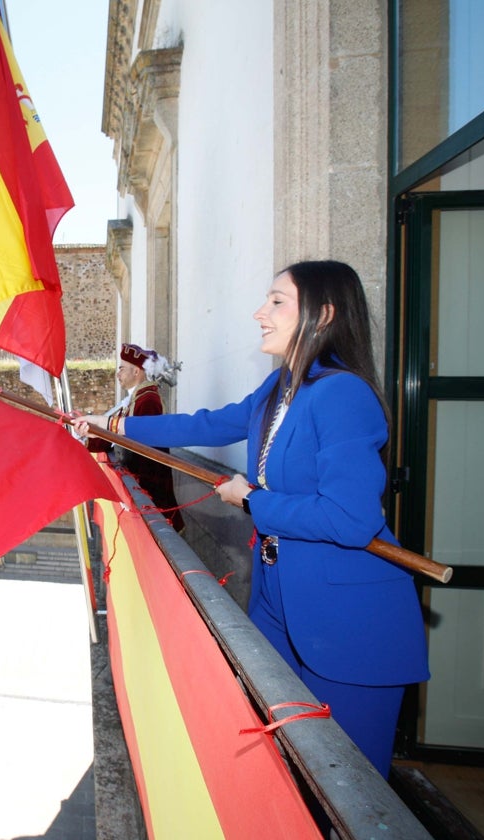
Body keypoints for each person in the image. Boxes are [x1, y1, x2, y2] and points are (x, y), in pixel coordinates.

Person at [75, 260, 429, 778]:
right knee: (286, 773)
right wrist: (113, 424)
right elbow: (212, 424)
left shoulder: (343, 394)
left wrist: (251, 500)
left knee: (350, 787)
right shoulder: (280, 387)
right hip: (277, 601)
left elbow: (351, 519)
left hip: (349, 625)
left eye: (277, 301)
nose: (259, 313)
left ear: (324, 313)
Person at [86, 344, 184, 531]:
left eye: (122, 368)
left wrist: (89, 439)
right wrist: (89, 436)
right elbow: (115, 432)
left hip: (149, 481)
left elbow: (129, 436)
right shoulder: (137, 398)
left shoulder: (148, 400)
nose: (118, 374)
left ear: (137, 371)